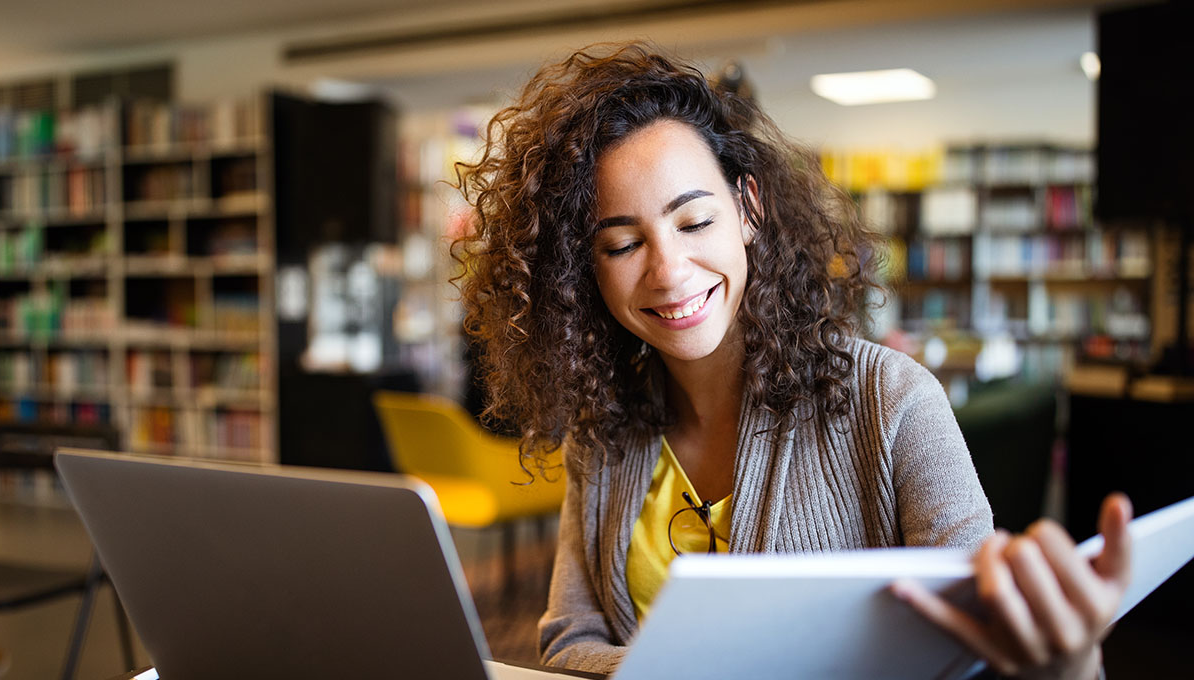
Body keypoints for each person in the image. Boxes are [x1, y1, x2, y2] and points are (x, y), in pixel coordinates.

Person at [453, 43, 1131, 679]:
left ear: (748, 209)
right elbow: (569, 641)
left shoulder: (891, 399)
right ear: (585, 268)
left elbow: (978, 653)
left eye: (694, 223)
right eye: (624, 243)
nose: (668, 272)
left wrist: (1066, 664)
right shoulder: (601, 429)